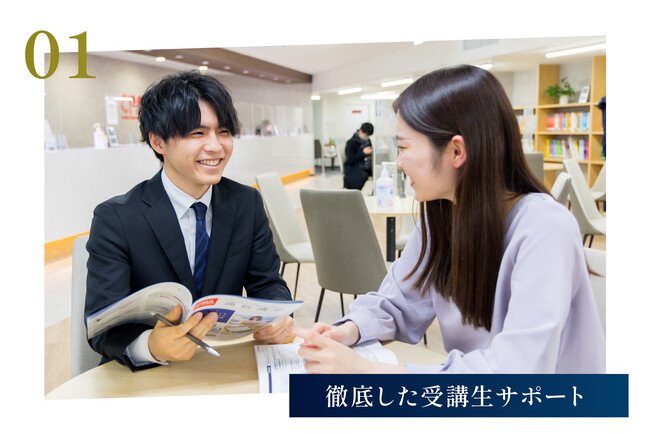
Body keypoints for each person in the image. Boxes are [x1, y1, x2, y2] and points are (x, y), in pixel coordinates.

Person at [290, 65, 605, 374]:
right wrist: (349, 330)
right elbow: (398, 301)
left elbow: (516, 371)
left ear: (456, 151)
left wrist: (368, 371)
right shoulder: (442, 216)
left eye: (403, 147)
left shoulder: (545, 227)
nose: (398, 162)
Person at [84, 71, 294, 372]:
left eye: (223, 131)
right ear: (158, 141)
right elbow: (102, 325)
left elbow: (268, 282)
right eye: (197, 133)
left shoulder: (246, 203)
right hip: (147, 374)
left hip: (223, 365)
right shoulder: (117, 218)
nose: (216, 146)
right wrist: (150, 346)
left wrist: (279, 317)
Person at [343, 122, 374, 190]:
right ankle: (354, 192)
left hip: (366, 166)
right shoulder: (351, 142)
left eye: (368, 135)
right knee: (362, 175)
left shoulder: (367, 141)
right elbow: (350, 159)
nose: (367, 137)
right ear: (360, 131)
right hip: (353, 167)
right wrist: (363, 153)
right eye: (366, 135)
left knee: (377, 172)